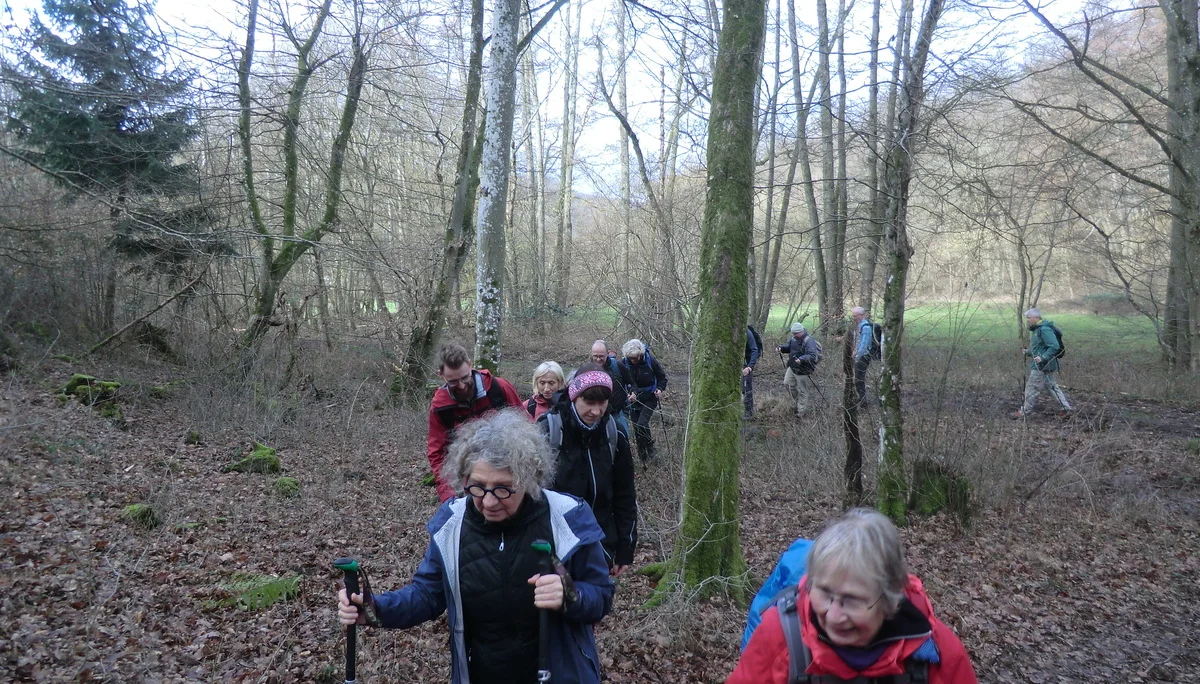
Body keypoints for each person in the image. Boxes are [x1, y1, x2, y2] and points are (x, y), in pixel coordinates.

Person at [338, 410, 613, 684]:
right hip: (483, 672)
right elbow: (427, 595)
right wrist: (377, 609)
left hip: (560, 673)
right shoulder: (452, 523)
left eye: (504, 488)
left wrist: (571, 595)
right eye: (478, 487)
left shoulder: (567, 517)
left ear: (529, 480)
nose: (489, 502)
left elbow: (601, 595)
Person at [726, 508, 979, 684]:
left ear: (889, 597)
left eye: (852, 600)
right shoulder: (780, 636)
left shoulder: (937, 654)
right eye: (824, 593)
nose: (833, 615)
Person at [539, 364, 638, 575]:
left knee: (591, 604)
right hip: (553, 546)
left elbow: (625, 496)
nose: (596, 411)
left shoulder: (614, 434)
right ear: (574, 397)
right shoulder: (548, 431)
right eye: (589, 402)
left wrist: (624, 549)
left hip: (599, 544)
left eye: (602, 403)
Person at [427, 343, 522, 501]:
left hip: (508, 480)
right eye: (453, 382)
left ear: (470, 365)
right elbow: (437, 453)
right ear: (441, 375)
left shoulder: (499, 388)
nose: (462, 386)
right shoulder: (440, 407)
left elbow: (527, 430)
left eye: (465, 377)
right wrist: (448, 493)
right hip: (467, 487)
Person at [1013, 308, 1073, 419]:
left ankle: (1025, 412)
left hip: (1042, 365)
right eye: (1027, 318)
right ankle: (1066, 408)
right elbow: (1040, 347)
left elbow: (1054, 346)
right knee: (1052, 387)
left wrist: (1043, 357)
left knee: (1032, 387)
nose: (1027, 320)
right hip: (1047, 364)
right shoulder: (1037, 330)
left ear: (1036, 317)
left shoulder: (1044, 329)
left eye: (1029, 318)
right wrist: (1028, 352)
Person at [619, 338, 668, 463]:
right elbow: (624, 381)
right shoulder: (625, 363)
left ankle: (650, 449)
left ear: (640, 354)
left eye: (635, 358)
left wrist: (659, 389)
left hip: (650, 397)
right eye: (631, 358)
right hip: (634, 399)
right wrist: (629, 394)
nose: (633, 361)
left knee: (642, 423)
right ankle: (642, 455)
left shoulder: (651, 361)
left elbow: (662, 378)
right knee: (637, 428)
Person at [588, 340, 632, 436]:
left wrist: (633, 393)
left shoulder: (618, 366)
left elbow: (631, 383)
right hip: (597, 414)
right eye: (595, 356)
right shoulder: (587, 370)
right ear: (591, 353)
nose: (598, 359)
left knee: (623, 438)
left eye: (601, 356)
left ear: (607, 354)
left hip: (618, 412)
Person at [777, 322, 821, 416]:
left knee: (802, 390)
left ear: (801, 331)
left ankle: (801, 411)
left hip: (804, 369)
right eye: (793, 333)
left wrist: (801, 359)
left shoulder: (809, 341)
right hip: (792, 367)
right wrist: (781, 348)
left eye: (795, 333)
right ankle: (796, 403)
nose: (793, 335)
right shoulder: (793, 339)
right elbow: (788, 347)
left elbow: (812, 355)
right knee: (787, 384)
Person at [852, 307, 873, 409]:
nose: (854, 318)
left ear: (861, 315)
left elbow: (864, 346)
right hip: (859, 356)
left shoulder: (866, 327)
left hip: (863, 357)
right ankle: (860, 398)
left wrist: (856, 357)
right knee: (857, 378)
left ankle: (863, 402)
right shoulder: (859, 326)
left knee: (859, 379)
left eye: (855, 316)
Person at [743, 325, 762, 419]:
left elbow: (755, 350)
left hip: (746, 365)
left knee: (746, 389)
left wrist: (749, 367)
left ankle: (749, 413)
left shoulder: (747, 333)